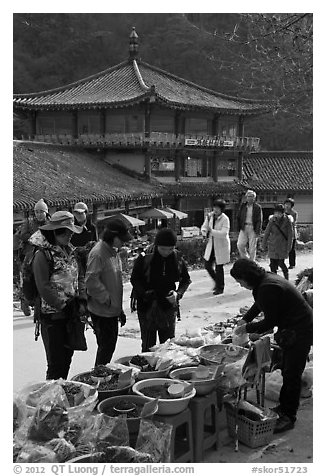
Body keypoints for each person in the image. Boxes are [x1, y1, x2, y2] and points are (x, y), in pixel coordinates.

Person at [230, 258, 313, 433]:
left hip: (301, 329)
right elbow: (259, 304)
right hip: (293, 326)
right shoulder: (265, 281)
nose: (240, 285)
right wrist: (246, 318)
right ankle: (284, 408)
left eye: (239, 281)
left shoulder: (267, 286)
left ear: (247, 276)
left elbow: (269, 322)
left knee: (292, 373)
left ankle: (288, 416)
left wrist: (247, 327)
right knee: (287, 370)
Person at [31, 211, 86, 380]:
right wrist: (62, 305)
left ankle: (60, 394)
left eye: (70, 232)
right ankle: (51, 400)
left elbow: (80, 276)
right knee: (55, 363)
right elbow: (43, 287)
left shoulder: (71, 252)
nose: (69, 235)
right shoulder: (43, 255)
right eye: (64, 231)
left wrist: (82, 299)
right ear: (53, 232)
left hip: (71, 314)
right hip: (52, 317)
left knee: (67, 359)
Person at [130, 228, 191, 352]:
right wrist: (144, 293)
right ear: (156, 245)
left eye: (170, 249)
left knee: (168, 345)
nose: (166, 252)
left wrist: (178, 294)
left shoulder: (177, 257)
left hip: (168, 305)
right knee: (148, 346)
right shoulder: (145, 257)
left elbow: (186, 280)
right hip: (147, 306)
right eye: (163, 249)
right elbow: (134, 279)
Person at [85, 219, 131, 365]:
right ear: (112, 237)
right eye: (121, 239)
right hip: (102, 311)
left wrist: (119, 309)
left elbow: (115, 283)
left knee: (109, 347)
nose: (124, 243)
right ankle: (99, 376)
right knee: (106, 347)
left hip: (112, 310)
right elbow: (91, 281)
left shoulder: (113, 252)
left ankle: (101, 373)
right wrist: (107, 299)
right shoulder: (98, 254)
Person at [19, 199, 51, 316]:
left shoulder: (50, 223)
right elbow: (23, 235)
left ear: (46, 212)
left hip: (46, 253)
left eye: (41, 211)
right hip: (30, 254)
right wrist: (35, 237)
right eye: (36, 212)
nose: (38, 214)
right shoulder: (29, 222)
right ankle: (25, 299)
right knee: (27, 276)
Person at [201, 199, 230, 295]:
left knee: (219, 267)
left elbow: (223, 233)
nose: (216, 210)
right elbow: (204, 227)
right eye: (215, 207)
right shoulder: (209, 216)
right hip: (211, 244)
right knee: (207, 265)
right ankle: (217, 282)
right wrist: (204, 232)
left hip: (221, 245)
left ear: (222, 209)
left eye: (218, 208)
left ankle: (220, 288)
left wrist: (211, 231)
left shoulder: (225, 219)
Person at [262, 204, 293, 280]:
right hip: (273, 244)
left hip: (283, 245)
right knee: (272, 265)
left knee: (281, 263)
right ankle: (275, 280)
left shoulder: (287, 220)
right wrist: (263, 244)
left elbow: (290, 235)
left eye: (279, 213)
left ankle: (286, 279)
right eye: (276, 213)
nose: (277, 214)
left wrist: (289, 246)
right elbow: (267, 232)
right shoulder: (272, 220)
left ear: (283, 213)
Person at [237, 190, 262, 261]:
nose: (249, 198)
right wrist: (238, 227)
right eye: (248, 196)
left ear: (254, 198)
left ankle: (252, 261)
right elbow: (238, 217)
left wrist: (258, 231)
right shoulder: (243, 206)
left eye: (251, 196)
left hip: (253, 227)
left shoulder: (257, 207)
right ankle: (246, 258)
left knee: (252, 247)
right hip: (244, 227)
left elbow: (259, 220)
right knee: (240, 244)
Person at [284, 198, 298, 269]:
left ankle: (292, 264)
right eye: (286, 204)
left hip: (292, 232)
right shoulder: (282, 212)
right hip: (283, 232)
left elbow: (293, 222)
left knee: (292, 249)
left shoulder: (294, 213)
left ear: (291, 205)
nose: (287, 206)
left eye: (289, 204)